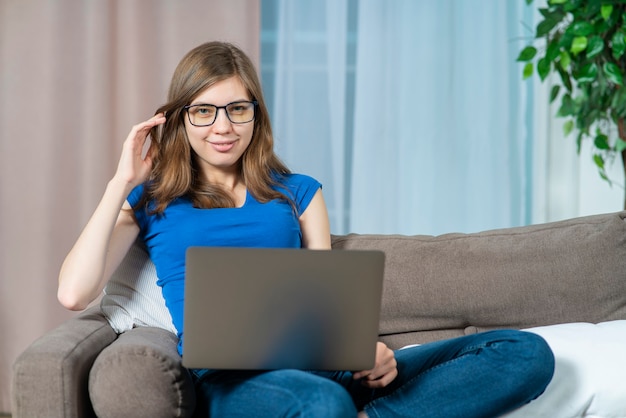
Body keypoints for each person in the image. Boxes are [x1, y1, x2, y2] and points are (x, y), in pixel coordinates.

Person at [58, 41, 555, 418]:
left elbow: (326, 304)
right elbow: (74, 293)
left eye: (237, 109)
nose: (222, 127)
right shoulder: (152, 199)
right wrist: (122, 180)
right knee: (319, 402)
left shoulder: (297, 192)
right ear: (180, 119)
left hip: (328, 369)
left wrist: (366, 350)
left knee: (524, 353)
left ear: (256, 116)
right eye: (204, 111)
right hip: (232, 383)